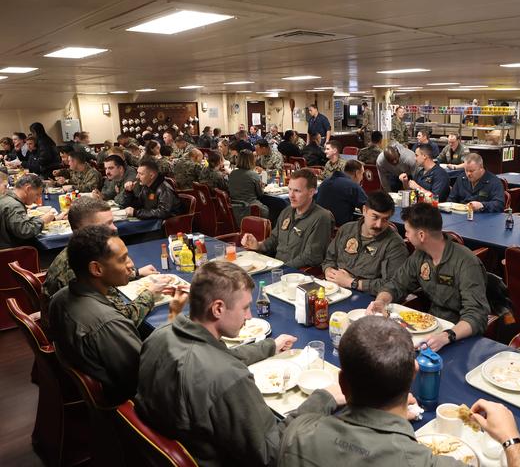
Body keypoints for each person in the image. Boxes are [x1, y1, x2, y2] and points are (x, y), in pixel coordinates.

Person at [135, 261, 343, 466]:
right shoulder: (229, 377)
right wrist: (324, 398)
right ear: (218, 309)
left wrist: (269, 347)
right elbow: (271, 452)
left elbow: (213, 357)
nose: (249, 316)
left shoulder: (159, 335)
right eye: (244, 308)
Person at [279, 316, 520, 467]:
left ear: (342, 384)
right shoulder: (420, 461)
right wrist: (512, 439)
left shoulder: (299, 434)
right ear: (414, 371)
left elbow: (292, 422)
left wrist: (324, 395)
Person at [48, 225, 186, 405]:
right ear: (96, 269)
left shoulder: (59, 297)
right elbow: (151, 377)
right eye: (122, 260)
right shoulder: (108, 323)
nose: (131, 264)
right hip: (130, 404)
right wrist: (174, 316)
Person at [368, 203, 489, 351]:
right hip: (430, 329)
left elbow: (476, 315)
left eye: (407, 231)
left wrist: (446, 336)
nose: (405, 235)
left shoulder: (466, 262)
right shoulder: (420, 256)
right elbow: (397, 284)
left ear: (421, 235)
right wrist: (381, 301)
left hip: (460, 337)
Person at [43, 197, 162, 331]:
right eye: (106, 224)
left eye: (112, 222)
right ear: (82, 230)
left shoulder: (78, 251)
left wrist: (136, 273)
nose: (114, 228)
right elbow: (123, 319)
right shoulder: (79, 269)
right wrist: (151, 293)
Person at [241, 169, 334, 268]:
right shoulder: (287, 211)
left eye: (297, 191)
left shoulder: (322, 217)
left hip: (296, 275)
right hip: (277, 268)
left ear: (311, 192)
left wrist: (281, 268)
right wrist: (258, 245)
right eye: (290, 189)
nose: (291, 195)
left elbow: (311, 257)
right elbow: (274, 240)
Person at [323, 191, 408, 295]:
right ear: (364, 210)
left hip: (367, 297)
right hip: (333, 288)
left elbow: (393, 285)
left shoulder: (395, 245)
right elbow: (329, 259)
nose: (379, 225)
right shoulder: (346, 229)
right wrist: (329, 270)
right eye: (375, 217)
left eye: (385, 219)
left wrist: (352, 283)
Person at [0, 174, 61, 249]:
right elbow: (25, 231)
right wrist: (43, 220)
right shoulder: (14, 206)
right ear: (28, 189)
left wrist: (53, 218)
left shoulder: (7, 198)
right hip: (11, 253)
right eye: (37, 194)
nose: (38, 198)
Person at [316, 159, 367, 226]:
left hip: (319, 225)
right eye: (362, 174)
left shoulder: (325, 182)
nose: (362, 178)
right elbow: (368, 208)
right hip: (341, 229)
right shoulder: (353, 186)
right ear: (357, 173)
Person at [228, 150, 269, 219]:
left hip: (234, 208)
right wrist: (262, 184)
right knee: (272, 207)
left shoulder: (232, 173)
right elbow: (260, 194)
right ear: (251, 160)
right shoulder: (253, 175)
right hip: (251, 207)